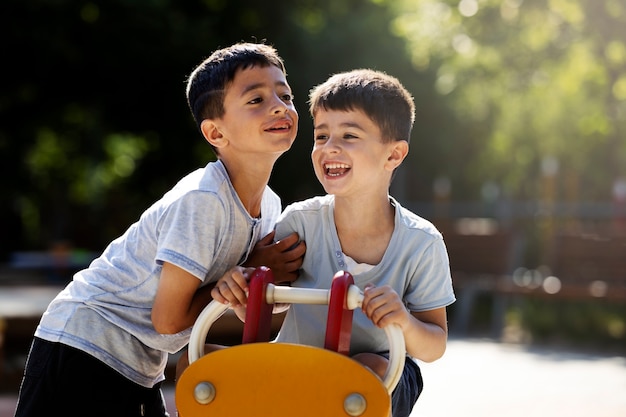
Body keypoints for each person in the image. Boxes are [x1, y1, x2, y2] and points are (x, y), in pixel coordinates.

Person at [14, 41, 305, 417]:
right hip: (84, 344)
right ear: (216, 134)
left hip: (138, 362)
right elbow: (168, 322)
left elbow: (247, 303)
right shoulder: (203, 200)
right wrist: (234, 284)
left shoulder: (269, 205)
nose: (280, 106)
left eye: (285, 94)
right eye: (256, 100)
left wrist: (258, 279)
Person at [230, 68, 454, 417]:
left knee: (363, 368)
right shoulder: (299, 223)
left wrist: (404, 322)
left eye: (349, 136)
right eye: (321, 136)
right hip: (301, 364)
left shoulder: (421, 242)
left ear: (393, 155)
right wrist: (242, 292)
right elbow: (266, 308)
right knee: (202, 366)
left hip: (380, 373)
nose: (329, 148)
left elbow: (435, 344)